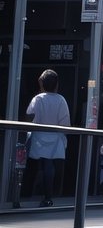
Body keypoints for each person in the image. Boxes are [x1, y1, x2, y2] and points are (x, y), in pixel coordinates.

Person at [26, 70, 71, 207]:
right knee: (49, 165)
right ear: (57, 84)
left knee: (33, 165)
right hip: (55, 137)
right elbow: (65, 123)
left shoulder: (38, 98)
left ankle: (26, 193)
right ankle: (48, 197)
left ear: (42, 83)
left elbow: (29, 117)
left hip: (38, 136)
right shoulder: (61, 100)